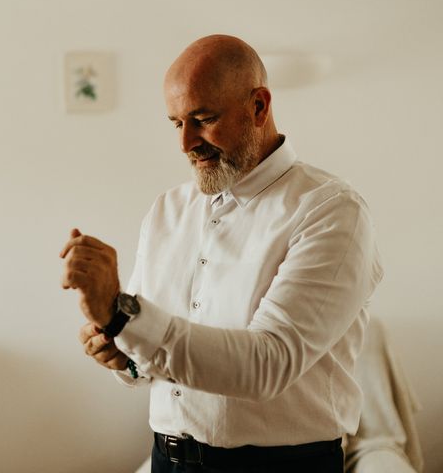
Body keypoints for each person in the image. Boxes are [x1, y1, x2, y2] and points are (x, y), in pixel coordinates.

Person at [59, 34, 383, 473]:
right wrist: (120, 352)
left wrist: (122, 319)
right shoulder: (166, 210)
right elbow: (148, 347)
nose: (186, 143)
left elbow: (268, 364)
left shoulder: (331, 211)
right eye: (176, 123)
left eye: (203, 118)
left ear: (259, 107)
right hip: (167, 460)